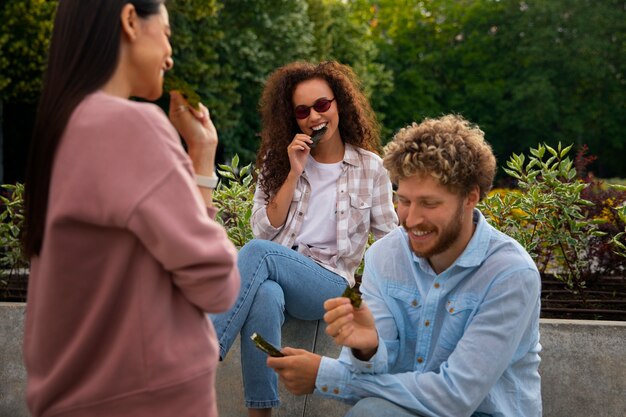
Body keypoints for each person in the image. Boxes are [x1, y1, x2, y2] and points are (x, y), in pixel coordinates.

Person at [21, 1, 240, 416]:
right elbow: (217, 284)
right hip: (149, 400)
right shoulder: (131, 126)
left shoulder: (60, 129)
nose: (170, 55)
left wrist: (201, 153)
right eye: (168, 34)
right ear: (129, 20)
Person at [268, 115, 542, 417]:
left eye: (429, 203)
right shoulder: (386, 256)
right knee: (372, 412)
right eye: (404, 200)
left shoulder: (510, 273)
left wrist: (327, 376)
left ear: (471, 197)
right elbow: (372, 371)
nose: (410, 220)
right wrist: (368, 348)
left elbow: (455, 397)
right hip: (402, 409)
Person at [210, 61, 398, 417]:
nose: (314, 116)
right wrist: (294, 172)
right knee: (265, 294)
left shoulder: (371, 167)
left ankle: (201, 352)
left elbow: (390, 240)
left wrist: (374, 302)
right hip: (283, 273)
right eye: (302, 111)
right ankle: (260, 413)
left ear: (339, 104)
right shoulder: (279, 162)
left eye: (322, 105)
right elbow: (262, 230)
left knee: (259, 255)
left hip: (331, 285)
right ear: (293, 118)